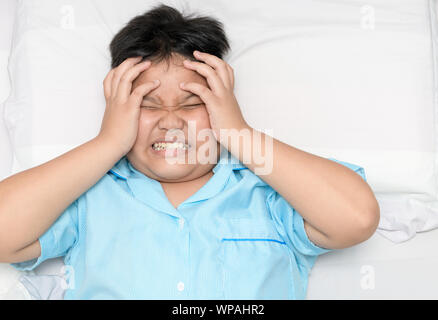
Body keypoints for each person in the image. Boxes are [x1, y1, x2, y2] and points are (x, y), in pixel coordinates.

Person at [0, 3, 379, 299]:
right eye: (147, 104)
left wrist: (238, 132)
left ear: (222, 105)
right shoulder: (90, 196)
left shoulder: (266, 192)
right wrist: (107, 143)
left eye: (190, 103)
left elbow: (357, 218)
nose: (169, 120)